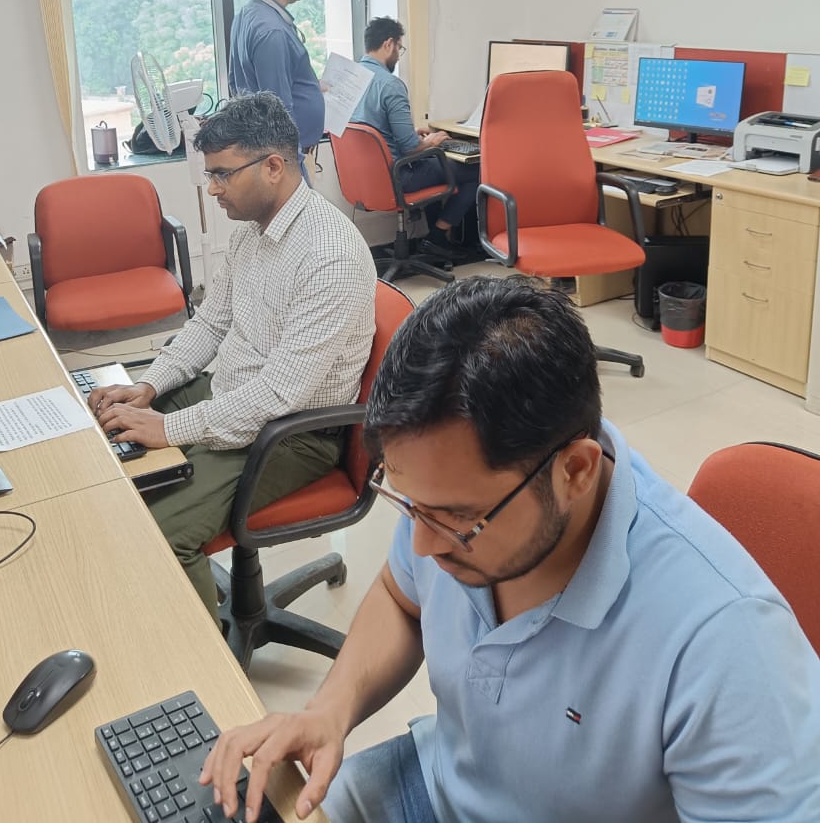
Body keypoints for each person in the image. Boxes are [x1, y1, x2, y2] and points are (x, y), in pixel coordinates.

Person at [201, 275, 820, 823]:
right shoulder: (449, 495)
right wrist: (329, 712)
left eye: (457, 519)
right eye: (410, 504)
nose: (422, 543)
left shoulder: (725, 643)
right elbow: (400, 596)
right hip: (435, 782)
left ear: (576, 471)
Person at [91, 92, 377, 620]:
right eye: (211, 174)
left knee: (160, 531)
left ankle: (206, 667)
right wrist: (149, 386)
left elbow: (278, 395)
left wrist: (169, 428)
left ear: (273, 167)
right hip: (234, 394)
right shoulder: (252, 231)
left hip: (291, 434)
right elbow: (210, 323)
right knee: (108, 433)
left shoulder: (329, 255)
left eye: (222, 174)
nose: (213, 188)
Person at [351, 16, 478, 249]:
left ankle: (433, 240)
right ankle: (438, 236)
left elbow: (373, 129)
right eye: (399, 48)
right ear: (389, 44)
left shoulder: (351, 79)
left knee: (434, 162)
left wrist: (412, 133)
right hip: (398, 177)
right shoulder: (390, 85)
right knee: (475, 170)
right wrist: (432, 140)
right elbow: (411, 147)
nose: (399, 55)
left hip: (364, 178)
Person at [228, 0, 325, 159]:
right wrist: (293, 162)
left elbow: (237, 84)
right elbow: (279, 116)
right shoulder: (272, 31)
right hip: (281, 160)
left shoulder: (246, 15)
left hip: (264, 152)